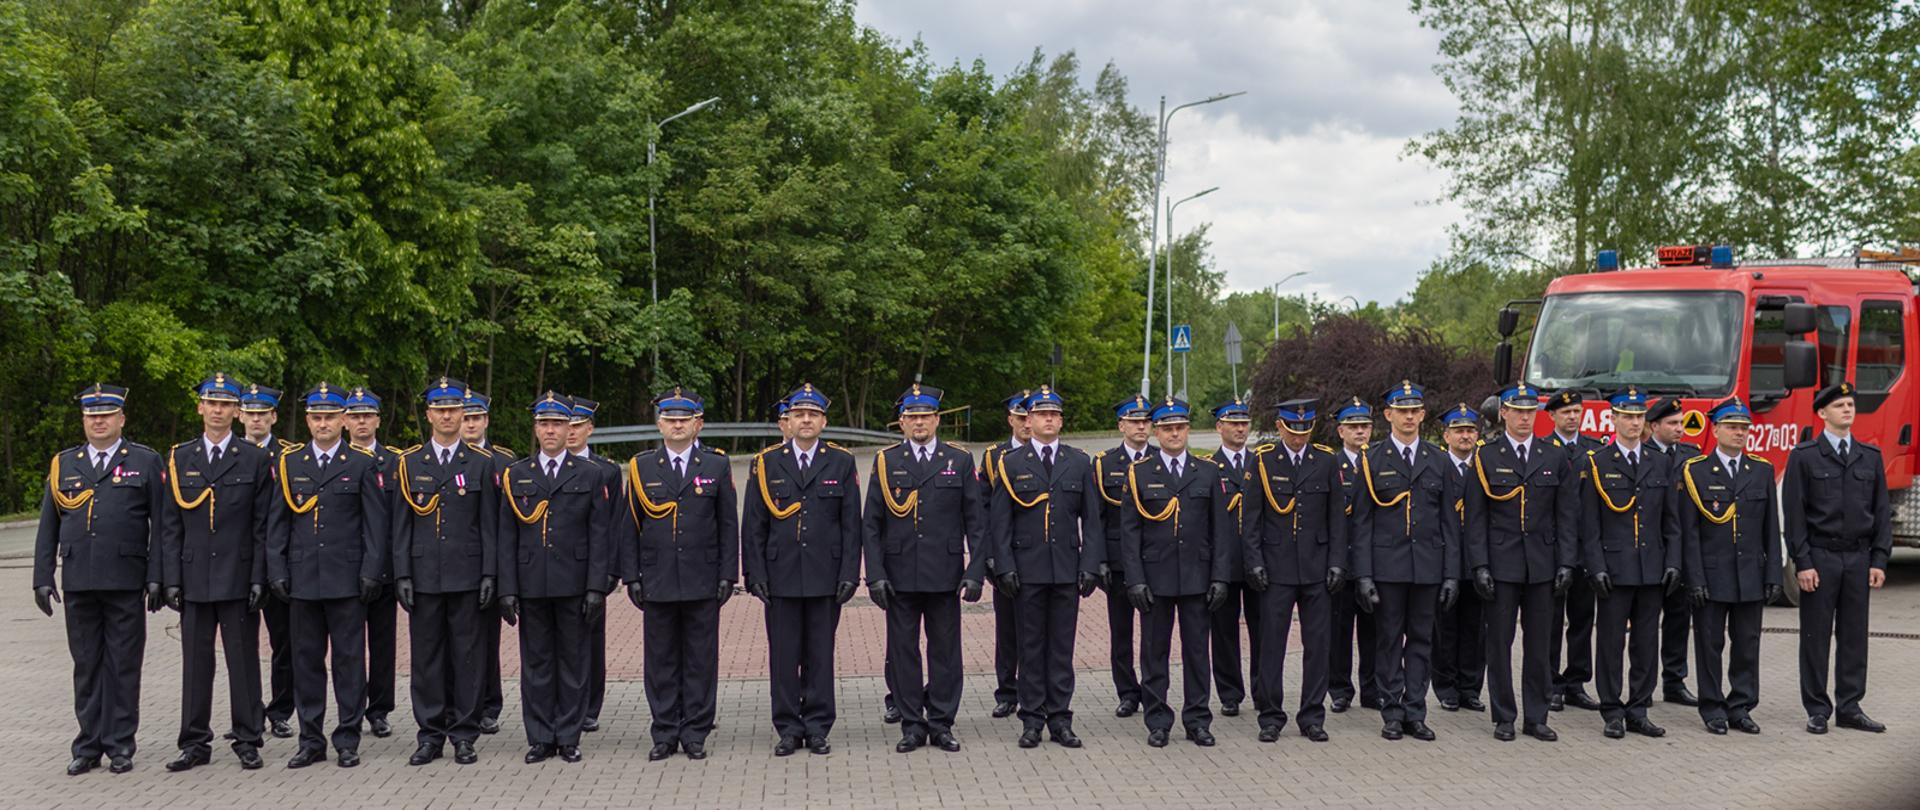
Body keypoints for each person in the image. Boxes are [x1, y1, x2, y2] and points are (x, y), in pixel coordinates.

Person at [34, 383, 165, 776]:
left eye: (106, 415)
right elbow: (48, 526)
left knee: (123, 665)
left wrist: (157, 576)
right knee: (87, 665)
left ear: (121, 419)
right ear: (84, 420)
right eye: (92, 416)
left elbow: (161, 526)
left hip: (126, 579)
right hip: (79, 580)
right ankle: (88, 745)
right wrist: (43, 576)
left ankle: (120, 744)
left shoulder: (144, 461)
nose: (99, 421)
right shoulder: (65, 463)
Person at [267, 383, 389, 768]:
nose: (323, 424)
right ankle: (310, 739)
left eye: (330, 417)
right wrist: (277, 569)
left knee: (349, 662)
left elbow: (375, 526)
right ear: (308, 420)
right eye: (316, 417)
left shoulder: (361, 463)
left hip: (347, 580)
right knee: (306, 662)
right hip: (303, 579)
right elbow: (277, 525)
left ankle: (348, 738)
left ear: (342, 420)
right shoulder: (290, 463)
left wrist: (372, 571)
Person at [862, 384, 988, 753]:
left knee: (945, 651)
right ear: (901, 422)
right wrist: (876, 574)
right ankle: (911, 723)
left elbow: (975, 522)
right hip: (899, 573)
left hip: (945, 572)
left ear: (937, 420)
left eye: (926, 417)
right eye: (912, 417)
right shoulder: (886, 461)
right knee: (903, 651)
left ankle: (941, 721)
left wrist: (975, 571)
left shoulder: (959, 459)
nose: (919, 423)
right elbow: (872, 523)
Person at [616, 388, 739, 760]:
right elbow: (629, 526)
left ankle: (696, 731)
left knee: (701, 658)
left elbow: (727, 524)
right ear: (660, 424)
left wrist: (727, 574)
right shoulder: (641, 467)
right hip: (657, 578)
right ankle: (665, 731)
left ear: (698, 424)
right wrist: (632, 576)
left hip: (702, 577)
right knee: (661, 660)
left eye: (685, 419)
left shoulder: (716, 465)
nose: (677, 425)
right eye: (670, 419)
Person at [159, 373, 273, 772]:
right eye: (212, 402)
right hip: (193, 577)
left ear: (237, 411)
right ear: (200, 408)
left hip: (239, 576)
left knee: (243, 662)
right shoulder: (179, 457)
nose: (219, 410)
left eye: (227, 404)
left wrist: (259, 576)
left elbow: (262, 526)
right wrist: (170, 577)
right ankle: (194, 742)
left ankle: (248, 738)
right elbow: (170, 525)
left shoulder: (256, 458)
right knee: (195, 663)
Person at [742, 384, 861, 756]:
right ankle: (789, 727)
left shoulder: (841, 462)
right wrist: (755, 574)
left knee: (821, 654)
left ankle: (818, 725)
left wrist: (848, 573)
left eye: (812, 415)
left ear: (823, 421)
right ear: (788, 421)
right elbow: (754, 525)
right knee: (783, 655)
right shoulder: (766, 463)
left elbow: (850, 525)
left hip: (826, 575)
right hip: (781, 576)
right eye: (798, 414)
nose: (805, 420)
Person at [497, 392, 614, 763]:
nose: (551, 431)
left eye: (558, 424)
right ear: (536, 428)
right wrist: (507, 589)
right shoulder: (517, 474)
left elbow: (600, 536)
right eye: (544, 424)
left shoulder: (591, 474)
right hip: (531, 583)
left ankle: (568, 736)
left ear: (570, 429)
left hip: (574, 583)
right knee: (536, 664)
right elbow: (506, 536)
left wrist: (597, 586)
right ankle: (540, 737)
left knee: (574, 662)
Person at [989, 385, 1105, 749]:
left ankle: (1060, 719)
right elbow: (1000, 522)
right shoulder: (1010, 463)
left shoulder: (1079, 461)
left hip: (1066, 569)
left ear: (1061, 420)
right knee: (1030, 646)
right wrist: (1004, 566)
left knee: (1060, 648)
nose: (1048, 420)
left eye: (1054, 414)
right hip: (1027, 569)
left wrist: (1090, 565)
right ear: (1029, 420)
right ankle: (1031, 719)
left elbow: (1093, 520)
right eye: (1041, 415)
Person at [392, 378, 500, 766]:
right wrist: (402, 574)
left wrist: (490, 573)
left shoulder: (482, 463)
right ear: (428, 415)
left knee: (467, 658)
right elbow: (400, 526)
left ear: (462, 414)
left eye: (454, 410)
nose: (447, 416)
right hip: (423, 577)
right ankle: (430, 734)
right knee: (426, 659)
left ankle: (465, 734)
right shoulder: (408, 463)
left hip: (468, 575)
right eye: (440, 410)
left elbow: (489, 525)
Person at [1465, 383, 1578, 742]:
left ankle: (1537, 715)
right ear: (1505, 414)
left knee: (1541, 644)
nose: (1525, 417)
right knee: (1498, 642)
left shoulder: (1554, 455)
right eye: (1518, 411)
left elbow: (1567, 516)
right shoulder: (1486, 456)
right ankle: (1504, 715)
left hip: (1543, 563)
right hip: (1501, 561)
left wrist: (1566, 563)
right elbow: (1475, 518)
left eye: (1530, 411)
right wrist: (1479, 565)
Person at [1120, 398, 1232, 748]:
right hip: (1156, 578)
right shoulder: (1140, 472)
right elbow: (1130, 532)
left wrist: (1220, 577)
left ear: (1188, 430)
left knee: (1198, 652)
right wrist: (1135, 578)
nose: (1173, 433)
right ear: (1156, 431)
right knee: (1154, 653)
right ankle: (1158, 720)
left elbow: (1221, 532)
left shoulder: (1208, 471)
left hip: (1198, 578)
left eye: (1180, 427)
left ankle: (1198, 720)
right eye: (1167, 428)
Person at [1351, 381, 1459, 742]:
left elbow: (1449, 522)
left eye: (1415, 410)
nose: (1409, 416)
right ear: (1388, 415)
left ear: (1423, 415)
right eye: (1402, 410)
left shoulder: (1438, 459)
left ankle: (1416, 711)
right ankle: (1391, 710)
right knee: (1388, 641)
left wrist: (1451, 574)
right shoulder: (1372, 459)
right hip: (1388, 567)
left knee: (1421, 642)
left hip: (1427, 566)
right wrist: (1363, 574)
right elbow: (1362, 523)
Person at [1782, 381, 1891, 735]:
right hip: (1821, 557)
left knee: (1854, 636)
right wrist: (1803, 561)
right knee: (1816, 636)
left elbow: (1881, 512)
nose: (1847, 409)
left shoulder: (1870, 457)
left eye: (1850, 404)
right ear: (1822, 413)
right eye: (1840, 405)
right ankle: (1817, 708)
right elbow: (1794, 514)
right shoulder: (1805, 456)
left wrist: (1879, 559)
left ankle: (1850, 706)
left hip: (1858, 558)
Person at [1241, 399, 1347, 742]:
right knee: (1272, 645)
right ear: (1280, 425)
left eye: (1304, 428)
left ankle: (1312, 716)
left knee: (1318, 645)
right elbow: (1251, 519)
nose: (1299, 435)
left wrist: (1336, 562)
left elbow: (1336, 518)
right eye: (1292, 428)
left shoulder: (1326, 461)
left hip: (1316, 567)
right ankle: (1271, 717)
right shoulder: (1264, 460)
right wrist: (1254, 561)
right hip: (1276, 567)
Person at [1580, 388, 1683, 739]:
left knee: (1645, 642)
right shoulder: (1597, 463)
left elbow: (1671, 521)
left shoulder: (1660, 462)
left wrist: (1673, 562)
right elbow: (1589, 525)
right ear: (1614, 419)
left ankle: (1639, 708)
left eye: (1639, 417)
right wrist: (1595, 567)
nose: (1635, 423)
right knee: (1610, 643)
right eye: (1627, 416)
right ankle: (1611, 709)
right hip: (1614, 567)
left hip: (1651, 567)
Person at [1679, 397, 1781, 735]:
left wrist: (1773, 574)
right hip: (1711, 573)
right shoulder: (1696, 471)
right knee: (1709, 644)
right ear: (1716, 429)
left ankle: (1741, 706)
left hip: (1750, 574)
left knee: (1747, 644)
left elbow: (1770, 528)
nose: (1739, 433)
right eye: (1733, 427)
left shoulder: (1761, 470)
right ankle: (1713, 708)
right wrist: (1694, 578)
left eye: (1744, 428)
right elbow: (1689, 533)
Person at [238, 384, 297, 740]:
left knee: (284, 642)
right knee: (242, 645)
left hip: (278, 562)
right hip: (239, 563)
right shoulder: (228, 453)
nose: (257, 418)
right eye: (251, 412)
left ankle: (281, 710)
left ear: (273, 417)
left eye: (263, 413)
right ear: (240, 415)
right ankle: (247, 714)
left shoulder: (290, 456)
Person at [342, 386, 399, 739]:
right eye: (355, 415)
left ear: (378, 419)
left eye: (368, 415)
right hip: (345, 568)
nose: (362, 421)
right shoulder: (337, 459)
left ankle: (379, 710)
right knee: (348, 645)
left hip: (385, 569)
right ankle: (349, 707)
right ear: (345, 420)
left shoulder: (396, 461)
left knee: (382, 643)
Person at [1542, 389, 1604, 713]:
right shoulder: (1542, 450)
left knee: (1582, 618)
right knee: (1551, 620)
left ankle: (1576, 682)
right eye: (1565, 412)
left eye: (1577, 411)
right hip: (1552, 549)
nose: (1572, 416)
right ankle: (1550, 683)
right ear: (1551, 416)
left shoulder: (1594, 450)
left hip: (1583, 548)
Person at [1094, 394, 1153, 718]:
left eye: (1145, 421)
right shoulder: (1104, 463)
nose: (1140, 426)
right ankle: (1127, 692)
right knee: (1121, 632)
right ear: (1121, 425)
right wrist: (1099, 559)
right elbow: (1097, 517)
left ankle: (1153, 689)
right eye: (1134, 421)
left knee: (1154, 631)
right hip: (1117, 560)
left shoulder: (1160, 459)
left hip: (1155, 559)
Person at [460, 389, 516, 735]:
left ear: (486, 420)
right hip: (458, 564)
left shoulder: (504, 462)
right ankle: (461, 705)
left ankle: (489, 705)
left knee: (486, 640)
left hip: (491, 562)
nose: (470, 424)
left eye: (476, 417)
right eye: (466, 418)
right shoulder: (446, 460)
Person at [564, 395, 620, 734]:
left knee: (590, 639)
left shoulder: (607, 471)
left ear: (590, 429)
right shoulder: (534, 468)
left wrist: (611, 570)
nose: (571, 432)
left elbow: (614, 526)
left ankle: (589, 706)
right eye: (565, 426)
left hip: (592, 569)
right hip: (557, 568)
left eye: (578, 426)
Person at [1644, 397, 1701, 707]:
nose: (1680, 429)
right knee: (1647, 620)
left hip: (1682, 549)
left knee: (1679, 617)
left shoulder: (1691, 457)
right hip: (1651, 549)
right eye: (1672, 424)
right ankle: (1645, 682)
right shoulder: (1642, 455)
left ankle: (1674, 680)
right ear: (1654, 426)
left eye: (1681, 423)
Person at [980, 390, 1031, 719]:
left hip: (1039, 555)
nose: (1027, 423)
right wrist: (989, 556)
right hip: (1005, 554)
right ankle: (1006, 691)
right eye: (1021, 417)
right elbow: (983, 511)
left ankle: (1032, 691)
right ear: (1010, 420)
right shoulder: (992, 457)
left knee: (1037, 630)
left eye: (1032, 417)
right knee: (1007, 628)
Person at [1432, 403, 1487, 713]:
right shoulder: (1437, 466)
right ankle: (1446, 687)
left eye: (1469, 430)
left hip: (1476, 560)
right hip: (1444, 559)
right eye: (1459, 431)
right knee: (1444, 628)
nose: (1465, 436)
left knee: (1475, 629)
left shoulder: (1484, 466)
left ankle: (1471, 687)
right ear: (1446, 435)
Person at [1207, 398, 1257, 718]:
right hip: (1223, 562)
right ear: (1219, 427)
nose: (1240, 428)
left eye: (1244, 423)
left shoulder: (1262, 463)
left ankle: (1264, 688)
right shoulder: (1208, 468)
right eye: (1233, 423)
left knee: (1263, 630)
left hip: (1257, 561)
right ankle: (1229, 693)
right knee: (1224, 632)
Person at [1329, 397, 1379, 713]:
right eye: (1353, 427)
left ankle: (1372, 690)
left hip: (1374, 561)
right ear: (1341, 431)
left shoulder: (1380, 461)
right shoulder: (1330, 465)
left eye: (1365, 426)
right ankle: (1339, 689)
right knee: (1339, 630)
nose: (1360, 432)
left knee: (1374, 630)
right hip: (1341, 560)